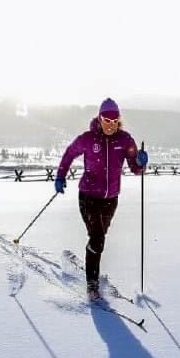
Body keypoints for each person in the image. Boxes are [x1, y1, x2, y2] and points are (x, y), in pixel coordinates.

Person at [54, 98, 148, 301]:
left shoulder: (125, 140)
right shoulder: (88, 139)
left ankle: (91, 260)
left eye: (115, 120)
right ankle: (92, 286)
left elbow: (135, 168)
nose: (111, 124)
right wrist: (60, 176)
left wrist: (141, 163)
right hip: (88, 197)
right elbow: (70, 153)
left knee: (99, 238)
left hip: (111, 199)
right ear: (100, 118)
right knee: (97, 238)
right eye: (107, 119)